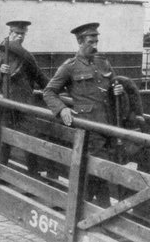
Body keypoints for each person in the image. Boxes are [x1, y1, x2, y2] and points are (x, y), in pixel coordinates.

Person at [43, 22, 123, 207]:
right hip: (88, 129)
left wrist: (116, 89)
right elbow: (49, 92)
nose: (95, 45)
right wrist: (62, 109)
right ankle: (86, 209)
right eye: (90, 41)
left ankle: (85, 209)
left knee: (97, 170)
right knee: (98, 168)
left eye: (96, 41)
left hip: (108, 125)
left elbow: (112, 87)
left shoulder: (103, 62)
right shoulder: (69, 67)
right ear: (80, 42)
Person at [0, 20, 49, 168]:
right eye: (17, 33)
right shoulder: (2, 54)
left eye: (23, 34)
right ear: (10, 33)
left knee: (30, 140)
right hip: (7, 103)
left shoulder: (26, 56)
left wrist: (54, 90)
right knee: (4, 141)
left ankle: (33, 175)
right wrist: (0, 72)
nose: (20, 37)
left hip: (24, 103)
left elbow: (39, 77)